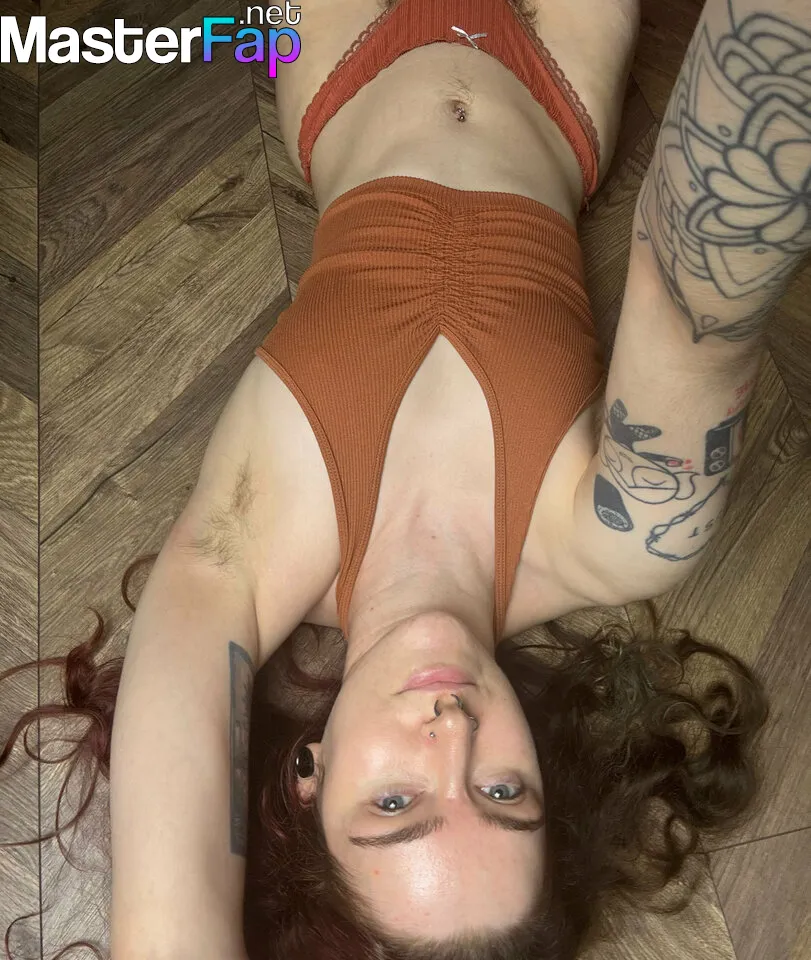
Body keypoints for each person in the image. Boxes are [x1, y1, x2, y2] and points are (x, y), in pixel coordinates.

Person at [3, 0, 809, 957]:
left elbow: (169, 934)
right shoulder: (621, 540)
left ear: (308, 775)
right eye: (502, 790)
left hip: (340, 63)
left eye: (395, 802)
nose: (452, 729)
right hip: (552, 78)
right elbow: (692, 300)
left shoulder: (237, 568)